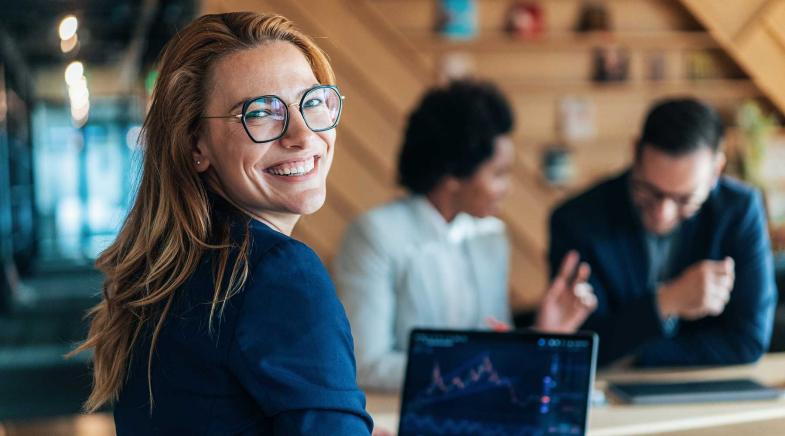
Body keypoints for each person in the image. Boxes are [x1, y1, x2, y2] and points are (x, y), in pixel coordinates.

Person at [70, 12, 372, 434]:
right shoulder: (279, 273)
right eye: (261, 111)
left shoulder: (169, 272)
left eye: (314, 101)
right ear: (196, 145)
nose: (302, 134)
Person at [333, 80, 597, 391]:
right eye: (498, 174)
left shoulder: (491, 236)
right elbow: (367, 366)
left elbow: (492, 339)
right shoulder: (375, 235)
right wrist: (484, 365)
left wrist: (542, 332)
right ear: (453, 175)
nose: (508, 187)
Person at [549, 98, 778, 367]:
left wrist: (637, 353)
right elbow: (582, 345)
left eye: (684, 199)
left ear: (716, 170)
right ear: (635, 152)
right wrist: (667, 300)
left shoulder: (740, 210)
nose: (663, 213)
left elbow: (748, 341)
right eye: (649, 191)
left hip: (709, 391)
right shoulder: (577, 220)